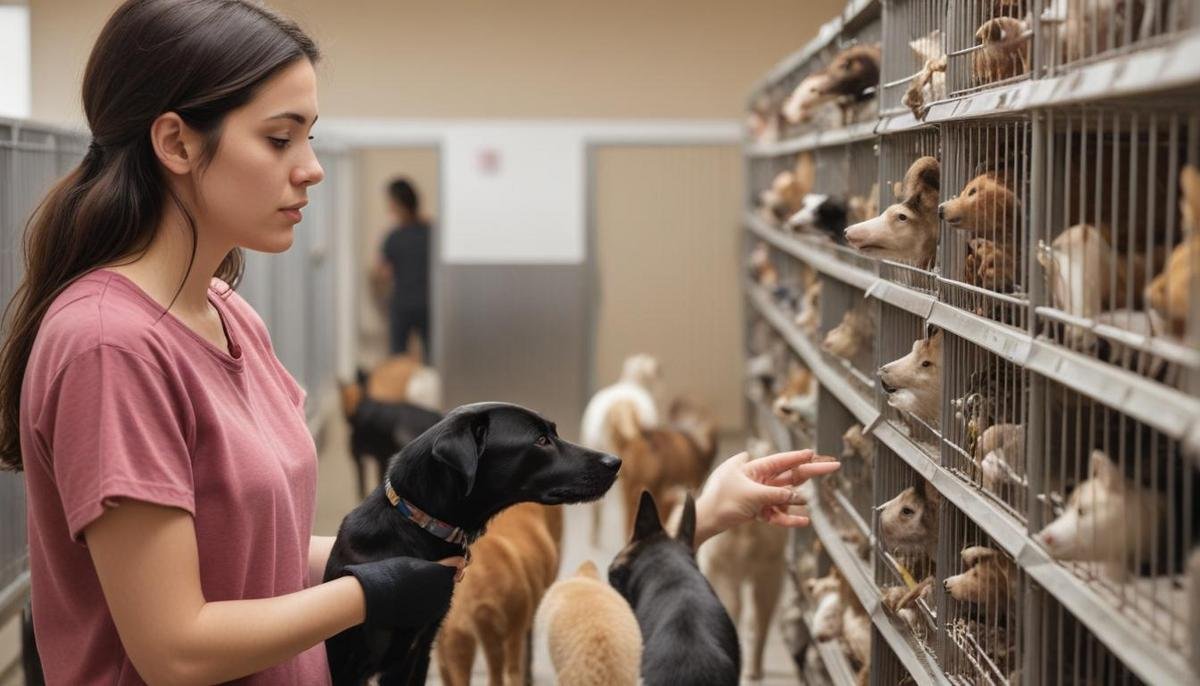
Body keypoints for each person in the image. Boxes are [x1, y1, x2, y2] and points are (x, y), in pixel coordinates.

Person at [0, 2, 838, 684]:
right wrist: (366, 593)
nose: (311, 168)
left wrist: (691, 526)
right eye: (279, 138)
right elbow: (174, 647)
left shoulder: (226, 312)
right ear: (177, 142)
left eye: (312, 137)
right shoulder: (110, 347)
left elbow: (247, 553)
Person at [372, 178, 433, 362]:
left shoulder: (394, 237)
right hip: (428, 302)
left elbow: (382, 273)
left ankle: (398, 388)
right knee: (432, 355)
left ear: (397, 204)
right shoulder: (431, 232)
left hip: (402, 304)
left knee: (398, 356)